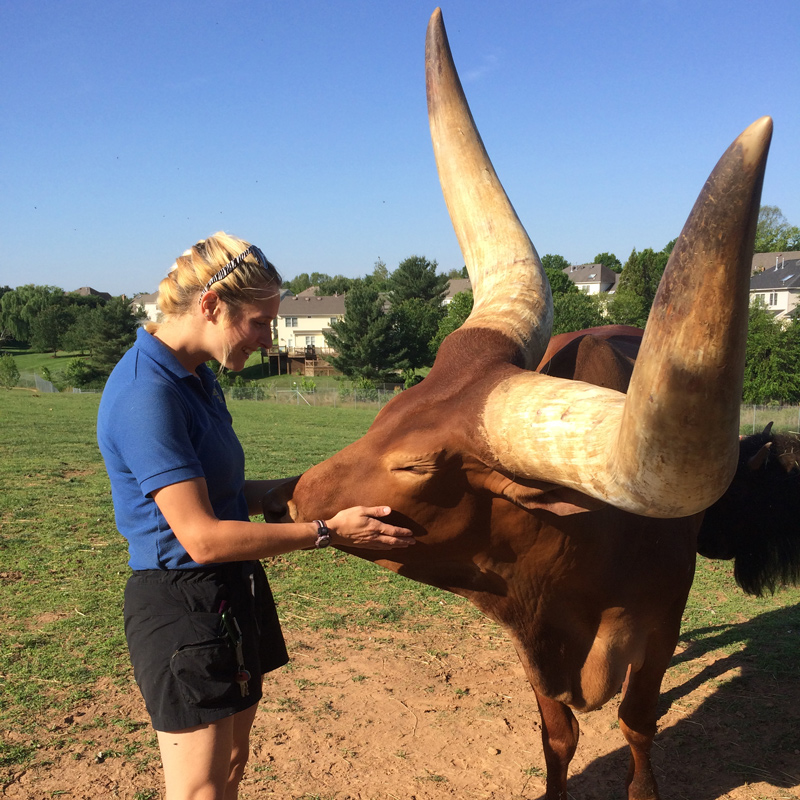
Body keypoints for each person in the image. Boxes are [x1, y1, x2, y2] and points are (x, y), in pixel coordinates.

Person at [96, 232, 415, 800]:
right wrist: (326, 533)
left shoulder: (198, 375)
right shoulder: (148, 393)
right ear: (212, 306)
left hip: (234, 588)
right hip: (182, 604)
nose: (268, 340)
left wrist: (310, 491)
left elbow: (224, 493)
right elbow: (201, 537)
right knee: (199, 789)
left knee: (234, 765)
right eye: (261, 322)